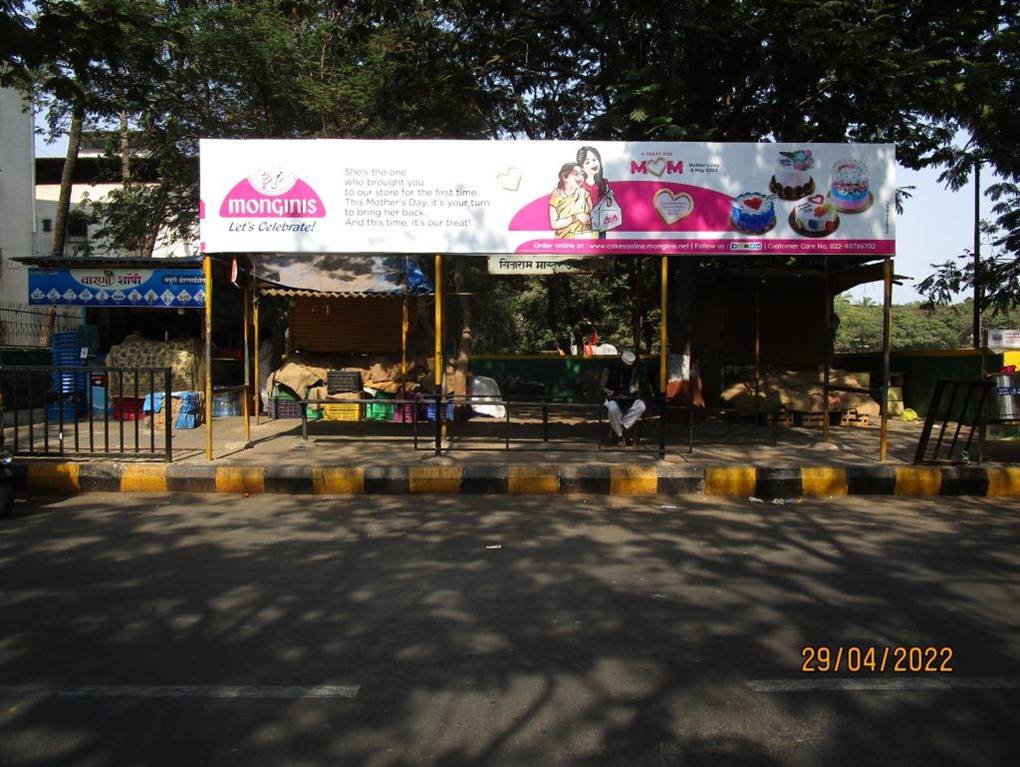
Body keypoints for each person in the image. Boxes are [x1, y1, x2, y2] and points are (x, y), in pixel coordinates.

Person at [600, 349, 647, 446]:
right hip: (613, 398)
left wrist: (634, 391)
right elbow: (602, 386)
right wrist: (612, 394)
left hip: (628, 399)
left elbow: (635, 386)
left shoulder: (633, 369)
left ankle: (619, 429)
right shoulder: (609, 367)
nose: (626, 368)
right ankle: (620, 435)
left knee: (641, 406)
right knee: (613, 409)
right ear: (620, 361)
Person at [548, 163, 594, 239]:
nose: (580, 177)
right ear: (565, 177)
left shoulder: (584, 193)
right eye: (576, 174)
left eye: (581, 174)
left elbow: (592, 214)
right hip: (564, 242)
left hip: (584, 239)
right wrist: (575, 217)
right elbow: (554, 224)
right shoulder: (556, 196)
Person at [576, 145, 614, 239]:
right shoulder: (580, 185)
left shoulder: (604, 183)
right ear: (582, 167)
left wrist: (610, 198)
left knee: (601, 244)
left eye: (594, 159)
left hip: (600, 221)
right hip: (586, 223)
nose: (593, 164)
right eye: (587, 162)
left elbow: (609, 204)